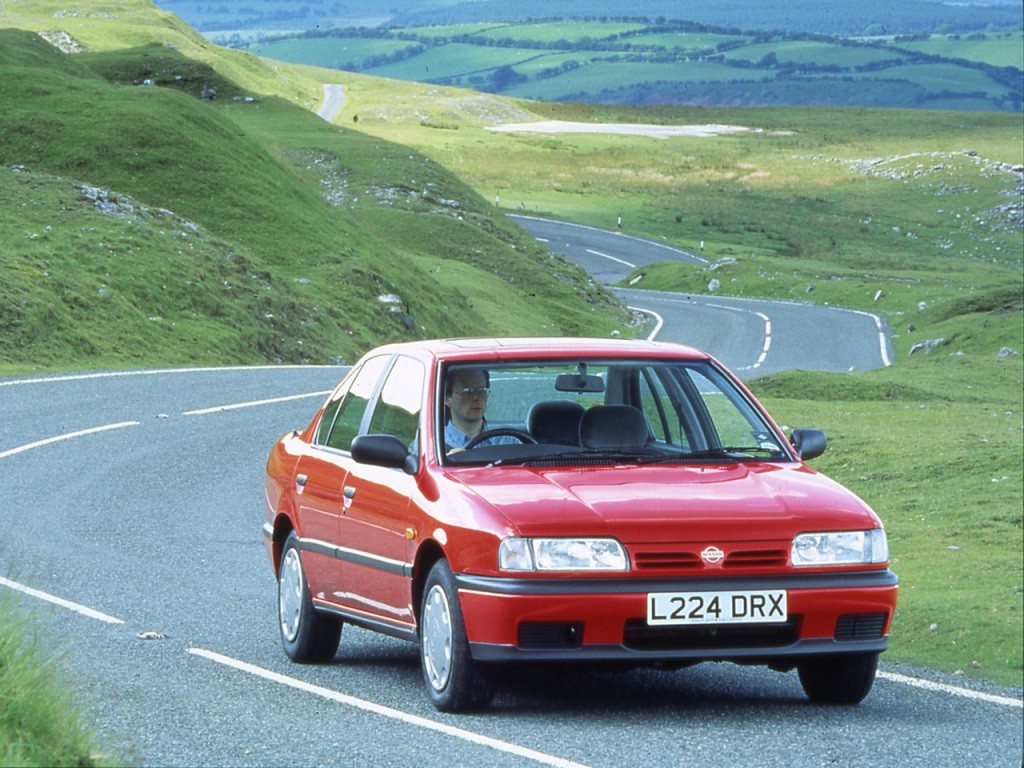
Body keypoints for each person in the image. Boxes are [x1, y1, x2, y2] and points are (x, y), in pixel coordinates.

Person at [444, 368, 519, 452]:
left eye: (482, 390)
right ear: (447, 398)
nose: (476, 397)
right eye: (467, 391)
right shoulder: (435, 445)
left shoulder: (509, 442)